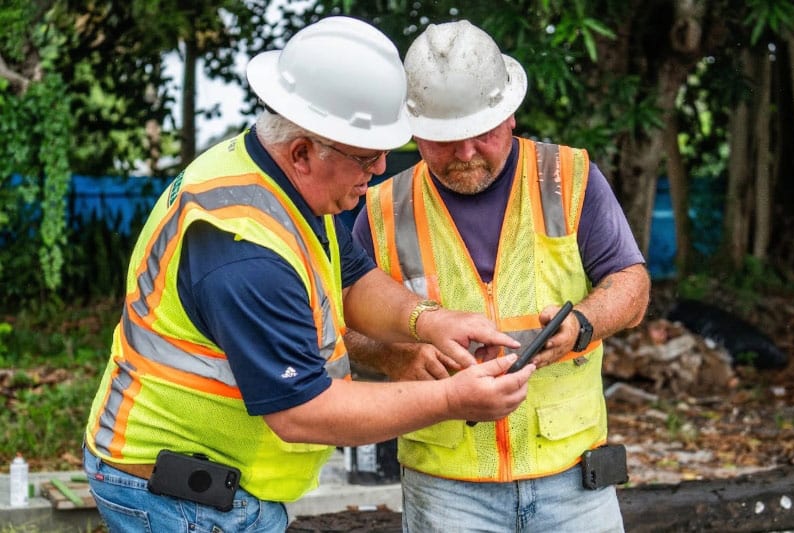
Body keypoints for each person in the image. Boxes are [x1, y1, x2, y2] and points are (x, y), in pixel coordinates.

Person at [82, 17, 536, 533]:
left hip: (212, 482)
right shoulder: (245, 255)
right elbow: (304, 412)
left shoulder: (283, 184)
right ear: (302, 152)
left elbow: (352, 277)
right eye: (367, 157)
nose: (382, 168)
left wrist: (429, 321)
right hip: (181, 494)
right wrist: (453, 400)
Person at [347, 20, 651, 532]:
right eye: (445, 140)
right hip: (447, 488)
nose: (465, 153)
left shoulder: (569, 177)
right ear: (414, 130)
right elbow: (339, 323)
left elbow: (632, 285)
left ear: (509, 115)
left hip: (574, 478)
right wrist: (394, 354)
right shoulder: (381, 207)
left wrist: (584, 324)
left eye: (481, 134)